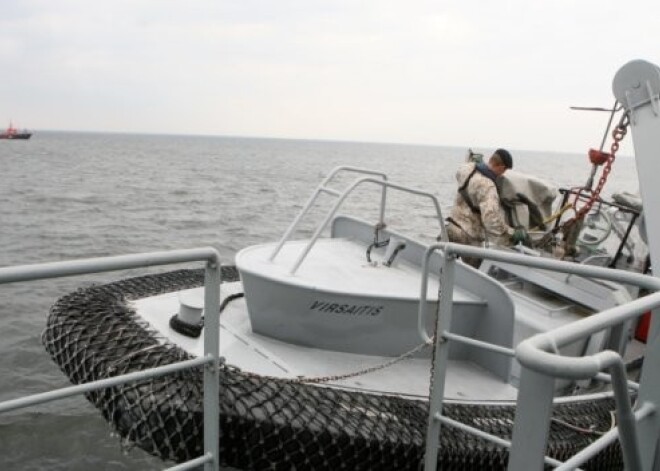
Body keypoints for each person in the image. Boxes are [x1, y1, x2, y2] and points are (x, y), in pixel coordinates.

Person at [444, 148, 529, 266]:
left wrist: (474, 162)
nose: (502, 175)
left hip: (451, 229)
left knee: (440, 267)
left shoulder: (467, 169)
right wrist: (512, 233)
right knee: (476, 275)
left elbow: (459, 172)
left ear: (490, 159)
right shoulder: (488, 187)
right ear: (501, 167)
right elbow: (491, 221)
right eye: (504, 171)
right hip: (468, 238)